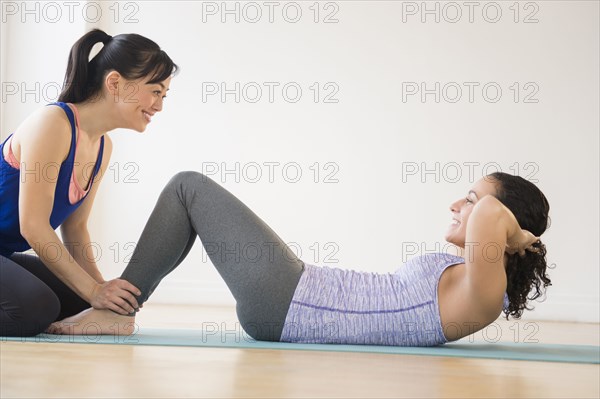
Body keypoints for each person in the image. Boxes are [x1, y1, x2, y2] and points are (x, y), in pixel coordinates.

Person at [1, 31, 552, 346]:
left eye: (475, 200)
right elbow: (44, 227)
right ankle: (114, 306)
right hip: (297, 290)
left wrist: (511, 226)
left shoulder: (483, 292)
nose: (459, 204)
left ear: (503, 229)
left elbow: (488, 222)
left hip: (289, 300)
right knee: (71, 291)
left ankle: (118, 310)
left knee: (187, 187)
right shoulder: (471, 281)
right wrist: (97, 292)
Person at [0, 28, 178, 337]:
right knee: (35, 309)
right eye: (155, 90)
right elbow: (34, 225)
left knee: (74, 303)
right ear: (115, 83)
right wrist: (93, 290)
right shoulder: (53, 123)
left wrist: (102, 293)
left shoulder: (102, 146)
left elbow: (76, 228)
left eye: (164, 95)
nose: (159, 106)